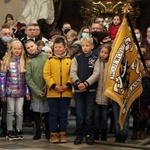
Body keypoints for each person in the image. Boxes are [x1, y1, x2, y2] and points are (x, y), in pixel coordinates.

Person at [70, 37, 100, 145]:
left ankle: (89, 134)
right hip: (79, 91)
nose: (85, 48)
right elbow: (72, 73)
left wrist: (86, 84)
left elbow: (96, 74)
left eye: (87, 46)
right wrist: (79, 83)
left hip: (90, 90)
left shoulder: (96, 59)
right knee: (79, 114)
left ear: (92, 46)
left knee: (88, 114)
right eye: (83, 46)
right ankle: (79, 135)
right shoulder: (76, 58)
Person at [43, 37, 72, 143]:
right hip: (53, 93)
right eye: (56, 47)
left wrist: (67, 85)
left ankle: (63, 133)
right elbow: (46, 75)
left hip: (66, 92)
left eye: (60, 47)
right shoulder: (49, 60)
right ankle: (53, 133)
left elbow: (72, 74)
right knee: (53, 114)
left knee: (63, 114)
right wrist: (54, 86)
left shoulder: (70, 60)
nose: (58, 49)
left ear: (65, 47)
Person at [0, 40, 30, 140]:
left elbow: (26, 80)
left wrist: (27, 92)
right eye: (15, 48)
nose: (17, 50)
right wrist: (2, 93)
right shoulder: (6, 61)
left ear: (22, 50)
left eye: (19, 48)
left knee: (19, 112)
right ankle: (9, 130)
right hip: (9, 92)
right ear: (11, 49)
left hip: (21, 92)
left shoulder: (24, 61)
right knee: (10, 111)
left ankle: (18, 129)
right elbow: (2, 78)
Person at [24, 39, 50, 140]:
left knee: (47, 112)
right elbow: (28, 78)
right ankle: (38, 132)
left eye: (32, 46)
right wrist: (37, 91)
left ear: (36, 45)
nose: (31, 49)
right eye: (28, 48)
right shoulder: (28, 60)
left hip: (46, 88)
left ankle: (48, 131)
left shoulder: (46, 56)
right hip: (35, 90)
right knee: (36, 112)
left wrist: (47, 85)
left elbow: (49, 71)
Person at [94, 43, 112, 141]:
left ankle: (104, 134)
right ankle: (96, 133)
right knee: (96, 115)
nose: (103, 54)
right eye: (102, 52)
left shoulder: (110, 64)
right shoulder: (96, 62)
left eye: (106, 53)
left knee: (104, 115)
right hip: (97, 93)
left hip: (106, 94)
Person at [131, 53, 150, 140]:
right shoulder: (134, 80)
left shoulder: (146, 80)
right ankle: (135, 132)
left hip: (144, 102)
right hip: (135, 101)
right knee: (135, 118)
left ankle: (142, 132)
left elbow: (148, 92)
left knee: (143, 119)